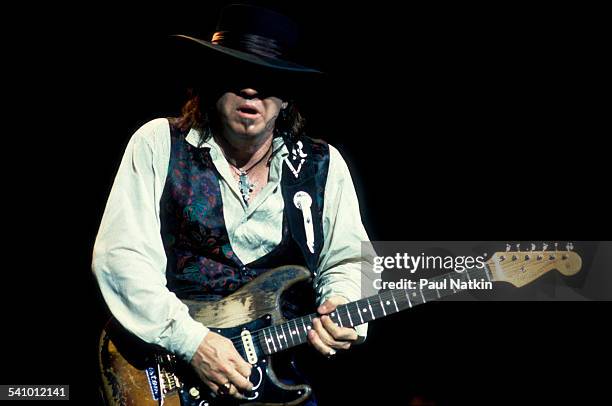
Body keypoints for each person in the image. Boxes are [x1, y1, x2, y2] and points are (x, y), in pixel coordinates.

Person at [92, 3, 373, 402]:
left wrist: (342, 302)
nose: (251, 90)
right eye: (238, 73)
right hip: (168, 373)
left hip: (282, 379)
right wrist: (194, 344)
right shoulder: (158, 143)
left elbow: (349, 261)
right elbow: (121, 258)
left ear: (288, 98)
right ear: (209, 80)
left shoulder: (322, 167)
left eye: (268, 79)